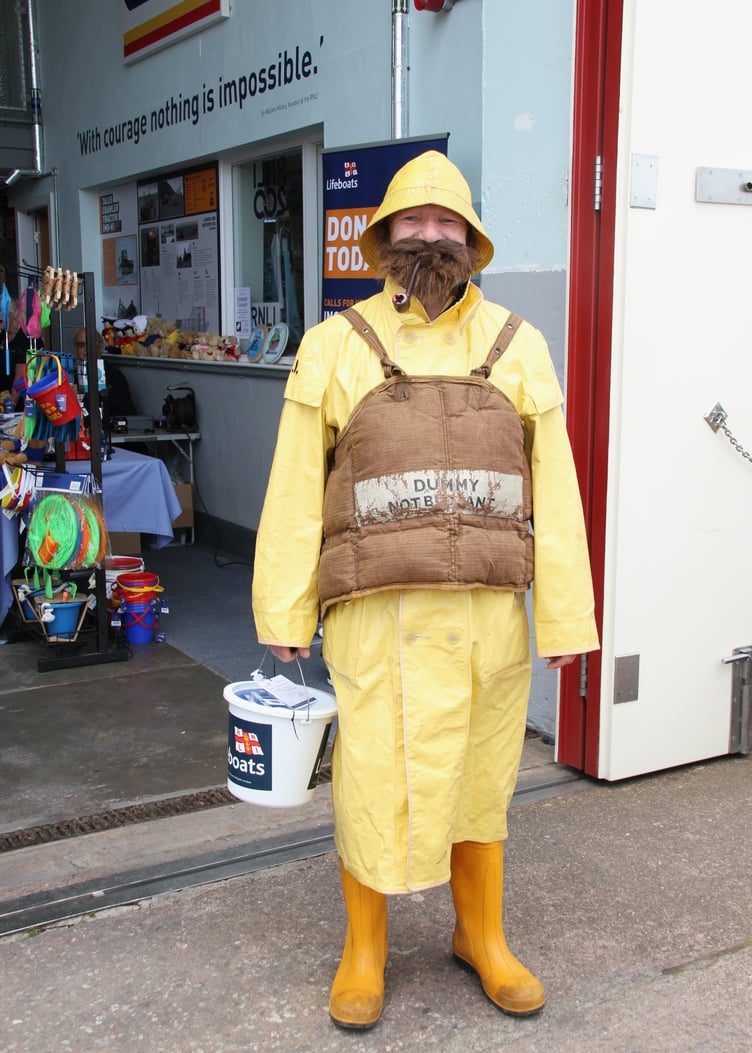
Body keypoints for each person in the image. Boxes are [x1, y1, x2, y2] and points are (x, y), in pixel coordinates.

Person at [252, 151, 599, 1030]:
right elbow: (296, 487)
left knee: (485, 778)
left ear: (472, 240)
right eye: (415, 221)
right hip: (376, 618)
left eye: (448, 223)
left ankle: (481, 935)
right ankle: (363, 951)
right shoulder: (334, 345)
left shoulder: (521, 345)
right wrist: (283, 609)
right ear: (385, 236)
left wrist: (566, 613)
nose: (431, 236)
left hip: (489, 618)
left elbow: (553, 489)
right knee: (370, 780)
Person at [73, 327, 136, 419]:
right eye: (82, 345)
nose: (86, 348)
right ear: (76, 348)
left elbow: (123, 411)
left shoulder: (113, 375)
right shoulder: (71, 374)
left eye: (91, 344)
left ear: (101, 347)